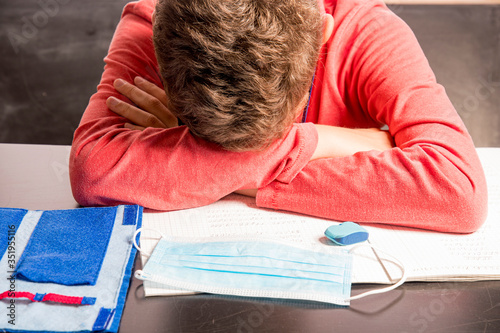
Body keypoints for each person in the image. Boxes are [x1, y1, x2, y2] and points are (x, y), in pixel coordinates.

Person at [70, 0, 487, 233]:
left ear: (324, 35)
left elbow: (459, 190)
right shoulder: (154, 21)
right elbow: (92, 170)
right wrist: (328, 142)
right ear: (158, 48)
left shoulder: (365, 30)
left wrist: (193, 157)